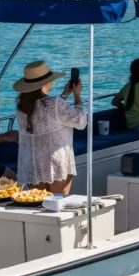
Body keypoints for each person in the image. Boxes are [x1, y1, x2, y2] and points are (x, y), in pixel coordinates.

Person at [13, 61, 87, 193]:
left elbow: (49, 115)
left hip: (33, 163)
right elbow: (80, 121)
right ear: (46, 83)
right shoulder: (54, 103)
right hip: (56, 163)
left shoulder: (21, 106)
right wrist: (77, 95)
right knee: (58, 204)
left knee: (37, 204)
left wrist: (64, 95)